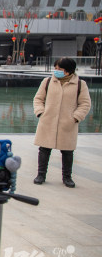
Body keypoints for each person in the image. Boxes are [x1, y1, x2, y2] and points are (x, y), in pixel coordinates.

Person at [33, 57, 91, 187]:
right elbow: (38, 99)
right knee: (44, 150)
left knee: (67, 152)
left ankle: (67, 177)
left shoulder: (80, 84)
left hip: (67, 124)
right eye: (55, 68)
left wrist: (75, 117)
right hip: (47, 122)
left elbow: (85, 104)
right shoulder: (48, 81)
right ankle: (41, 175)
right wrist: (41, 112)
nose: (56, 71)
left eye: (60, 68)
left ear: (68, 71)